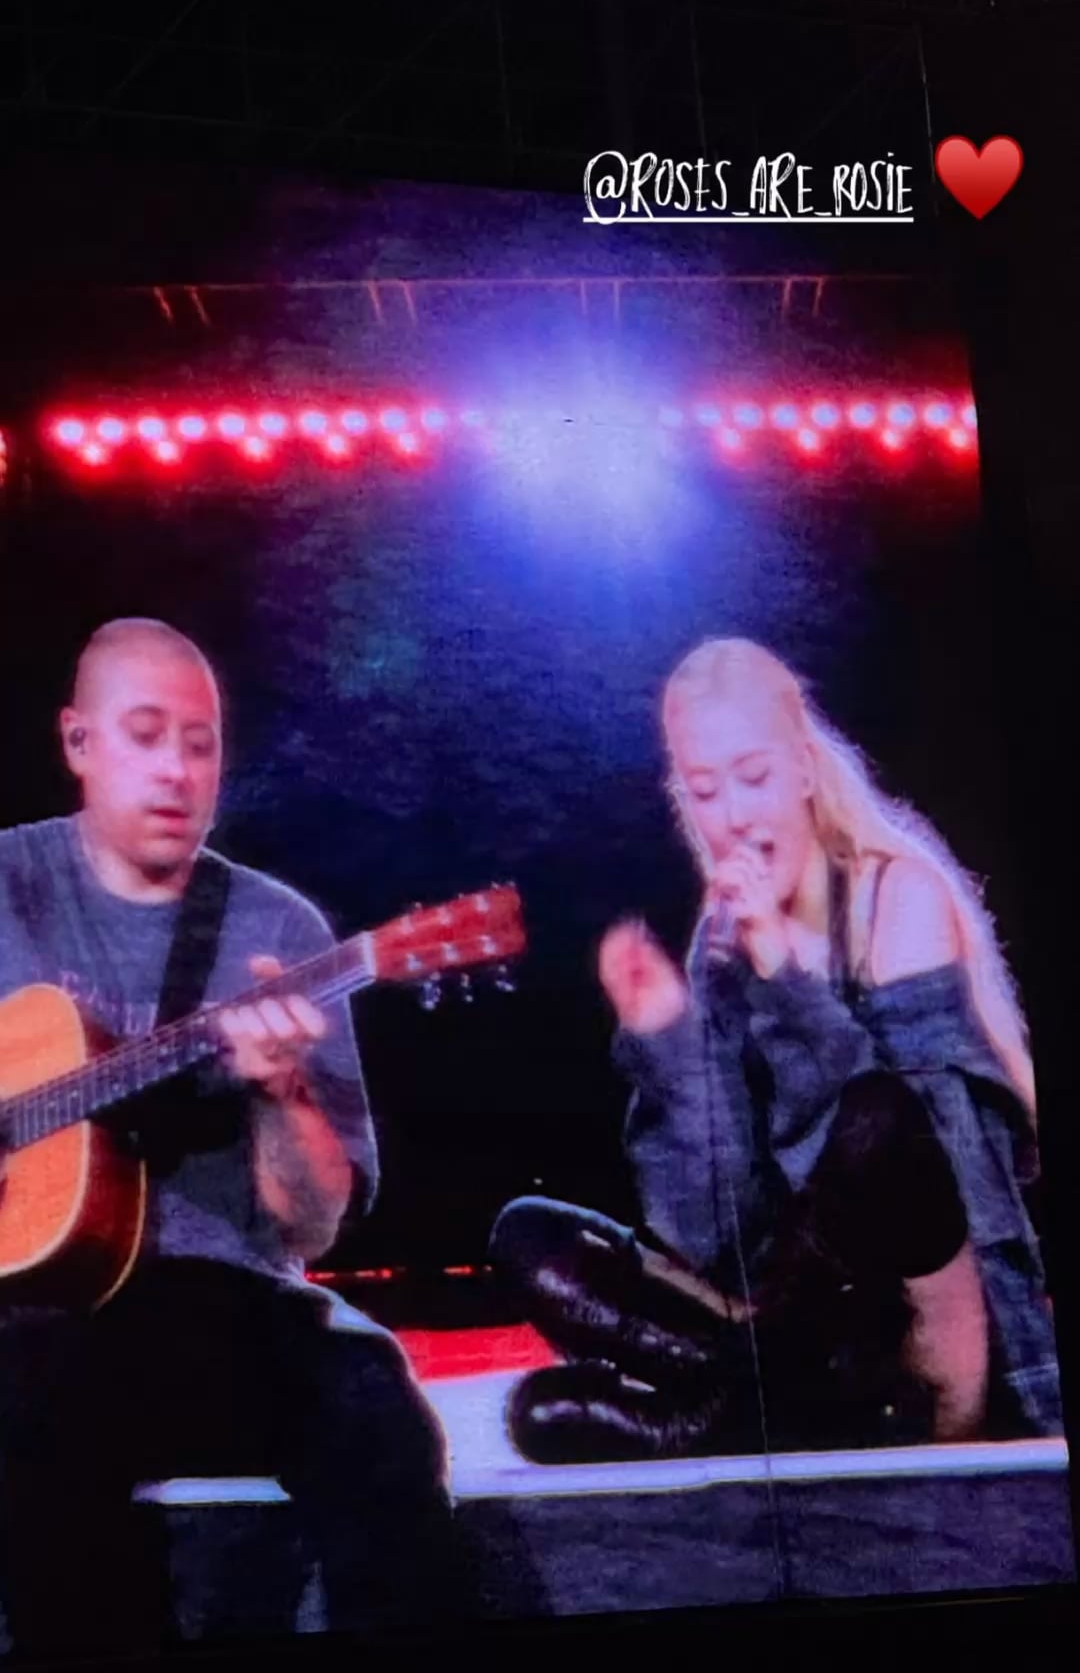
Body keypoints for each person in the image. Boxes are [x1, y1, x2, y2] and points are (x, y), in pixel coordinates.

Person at [0, 618, 462, 1651]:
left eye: (200, 743)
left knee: (373, 1399)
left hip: (225, 1308)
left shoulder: (279, 934)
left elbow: (312, 1229)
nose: (177, 769)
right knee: (32, 1397)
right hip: (31, 1316)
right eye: (146, 735)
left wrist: (282, 1090)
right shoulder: (8, 883)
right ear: (78, 742)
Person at [491, 638, 1060, 1463]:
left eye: (753, 777)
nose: (734, 817)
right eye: (705, 791)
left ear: (802, 769)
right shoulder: (720, 946)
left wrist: (786, 981)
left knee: (873, 1119)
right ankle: (769, 1408)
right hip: (799, 1325)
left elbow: (919, 1184)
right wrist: (667, 1042)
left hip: (939, 1339)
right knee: (530, 1239)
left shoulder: (898, 900)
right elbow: (717, 1233)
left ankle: (736, 1412)